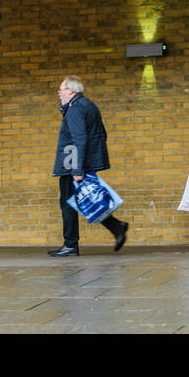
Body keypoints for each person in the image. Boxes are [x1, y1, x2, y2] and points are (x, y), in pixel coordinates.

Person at [48, 76, 129, 257]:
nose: (59, 93)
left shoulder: (75, 108)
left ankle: (70, 245)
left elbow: (79, 139)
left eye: (61, 89)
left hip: (73, 165)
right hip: (81, 163)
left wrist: (77, 169)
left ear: (70, 91)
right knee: (89, 200)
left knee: (68, 204)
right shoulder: (87, 105)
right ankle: (116, 227)